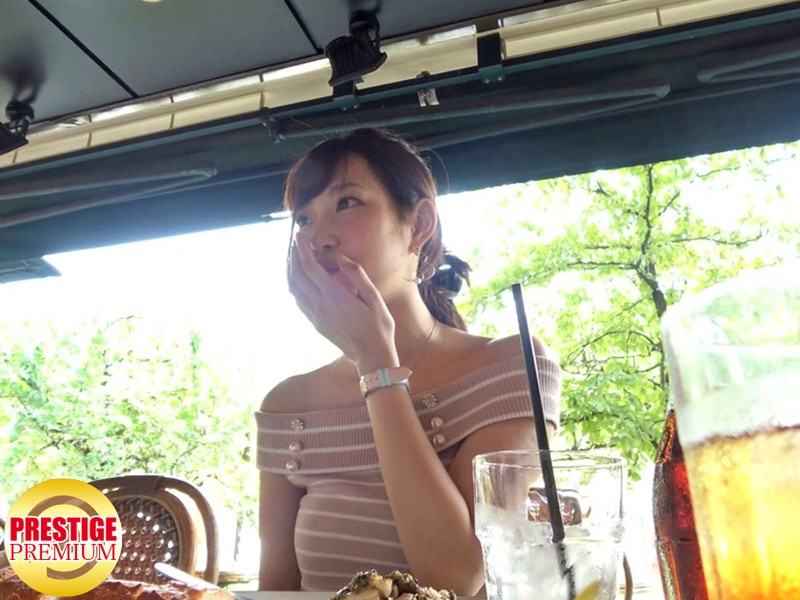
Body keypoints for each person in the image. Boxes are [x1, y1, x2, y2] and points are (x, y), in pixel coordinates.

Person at [256, 128, 561, 595]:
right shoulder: (287, 404)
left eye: (346, 203)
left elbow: (455, 576)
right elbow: (276, 591)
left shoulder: (513, 365)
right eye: (303, 219)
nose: (318, 238)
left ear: (419, 224)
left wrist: (376, 367)